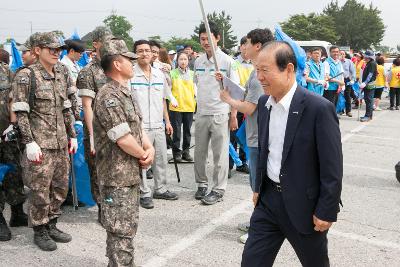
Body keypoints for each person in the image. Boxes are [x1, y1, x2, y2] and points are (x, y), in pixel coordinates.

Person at [241, 41, 343, 267]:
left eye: (265, 70)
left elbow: (332, 166)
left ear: (288, 69)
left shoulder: (318, 108)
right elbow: (265, 149)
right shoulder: (264, 103)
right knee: (252, 261)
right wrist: (259, 187)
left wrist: (326, 209)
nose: (259, 77)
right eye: (257, 69)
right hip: (269, 202)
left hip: (304, 206)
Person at [11, 32, 78, 251]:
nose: (56, 53)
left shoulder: (63, 71)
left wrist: (73, 135)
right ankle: (40, 229)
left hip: (60, 143)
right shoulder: (27, 75)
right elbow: (21, 112)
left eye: (59, 49)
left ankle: (52, 224)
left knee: (60, 188)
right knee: (40, 191)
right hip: (40, 145)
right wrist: (29, 142)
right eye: (51, 49)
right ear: (37, 50)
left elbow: (67, 106)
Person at [93, 37, 154, 267]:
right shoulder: (109, 96)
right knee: (120, 230)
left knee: (125, 227)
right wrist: (143, 154)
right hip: (116, 177)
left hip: (129, 174)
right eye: (129, 59)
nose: (133, 62)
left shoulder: (126, 93)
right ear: (117, 64)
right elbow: (122, 138)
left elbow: (137, 129)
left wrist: (149, 148)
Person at [219, 28, 274, 244]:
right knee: (257, 185)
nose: (243, 47)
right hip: (255, 134)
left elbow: (251, 107)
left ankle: (261, 229)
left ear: (258, 46)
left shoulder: (262, 71)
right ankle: (258, 221)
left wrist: (228, 99)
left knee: (260, 186)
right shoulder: (255, 71)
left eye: (247, 43)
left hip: (260, 136)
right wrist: (229, 86)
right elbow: (249, 96)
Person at [193, 21, 239, 205]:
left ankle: (219, 189)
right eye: (202, 39)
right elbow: (197, 84)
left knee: (219, 154)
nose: (205, 42)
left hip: (221, 113)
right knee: (200, 153)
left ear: (217, 38)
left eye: (209, 38)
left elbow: (235, 90)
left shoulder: (227, 61)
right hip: (202, 112)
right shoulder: (197, 61)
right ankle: (202, 184)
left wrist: (233, 115)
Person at [131, 40, 178, 209]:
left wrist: (167, 121)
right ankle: (144, 192)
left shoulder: (159, 74)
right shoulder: (131, 75)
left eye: (147, 51)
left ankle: (161, 189)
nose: (144, 53)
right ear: (135, 54)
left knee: (161, 159)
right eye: (140, 51)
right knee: (143, 160)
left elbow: (164, 100)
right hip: (140, 126)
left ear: (152, 54)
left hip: (158, 124)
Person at [77, 26, 113, 222]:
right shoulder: (88, 72)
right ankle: (102, 207)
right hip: (98, 131)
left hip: (117, 130)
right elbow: (86, 106)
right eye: (106, 41)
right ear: (96, 44)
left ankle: (113, 204)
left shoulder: (115, 66)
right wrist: (92, 136)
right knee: (98, 173)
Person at [0, 49, 28, 242]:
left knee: (14, 173)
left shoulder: (5, 70)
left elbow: (13, 99)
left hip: (7, 135)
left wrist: (12, 125)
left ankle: (17, 212)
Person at [228, 36, 253, 177]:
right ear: (241, 46)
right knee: (232, 134)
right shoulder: (234, 63)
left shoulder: (254, 64)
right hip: (235, 103)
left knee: (245, 134)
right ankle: (229, 164)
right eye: (245, 45)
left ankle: (243, 163)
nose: (247, 48)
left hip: (248, 104)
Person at [169, 52, 196, 162]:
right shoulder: (172, 73)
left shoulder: (192, 74)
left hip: (189, 106)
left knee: (187, 132)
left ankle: (186, 152)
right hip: (176, 107)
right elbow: (168, 90)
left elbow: (196, 89)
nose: (183, 61)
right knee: (176, 132)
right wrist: (172, 99)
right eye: (181, 59)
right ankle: (176, 153)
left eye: (185, 59)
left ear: (188, 60)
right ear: (177, 60)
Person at [359, 50, 377, 122]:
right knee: (367, 100)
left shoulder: (372, 63)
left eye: (366, 56)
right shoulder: (368, 63)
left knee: (369, 100)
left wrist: (365, 83)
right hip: (367, 85)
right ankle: (368, 115)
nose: (364, 57)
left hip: (370, 85)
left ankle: (368, 116)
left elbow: (370, 74)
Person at [340, 50, 356, 117]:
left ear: (345, 55)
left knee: (347, 95)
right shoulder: (337, 62)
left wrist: (352, 80)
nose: (342, 55)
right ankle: (340, 110)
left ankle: (348, 111)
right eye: (340, 54)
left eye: (343, 54)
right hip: (339, 80)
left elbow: (353, 72)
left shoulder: (349, 61)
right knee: (339, 96)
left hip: (347, 80)